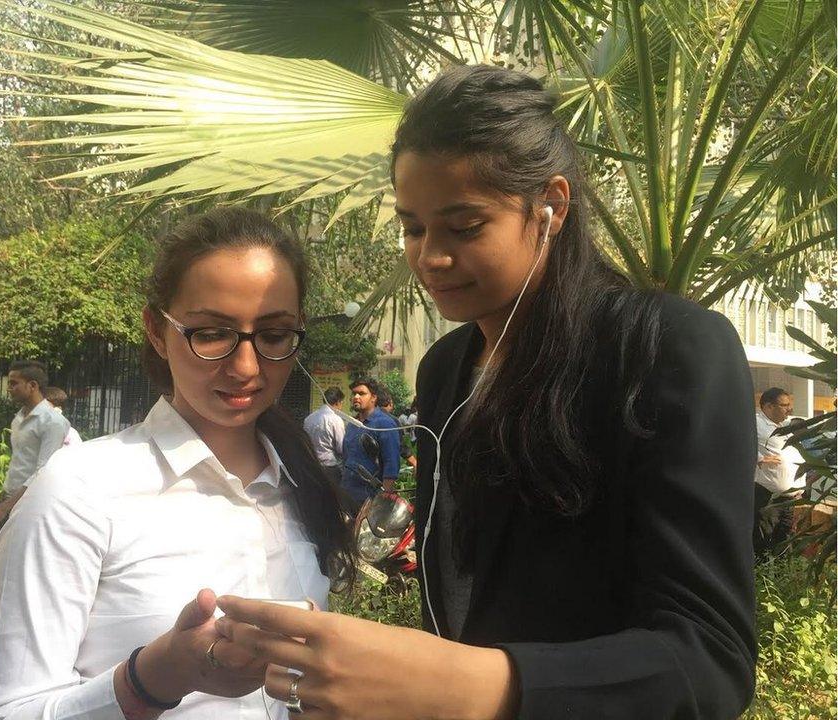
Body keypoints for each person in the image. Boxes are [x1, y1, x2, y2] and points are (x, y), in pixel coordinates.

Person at [215, 65, 756, 720]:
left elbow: (710, 661)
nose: (430, 258)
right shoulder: (446, 369)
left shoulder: (666, 351)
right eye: (413, 228)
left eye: (464, 226)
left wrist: (472, 686)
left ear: (551, 206)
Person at [0, 207, 353, 720]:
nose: (246, 367)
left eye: (273, 336)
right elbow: (7, 712)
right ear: (157, 330)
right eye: (211, 334)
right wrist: (153, 678)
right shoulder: (79, 490)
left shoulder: (298, 486)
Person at [0, 360, 71, 644]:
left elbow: (42, 472)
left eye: (14, 383)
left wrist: (4, 508)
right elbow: (20, 465)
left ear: (32, 386)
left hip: (29, 505)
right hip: (11, 499)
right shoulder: (20, 418)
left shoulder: (53, 422)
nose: (9, 388)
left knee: (0, 572)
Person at [753, 387, 801, 556]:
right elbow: (734, 442)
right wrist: (758, 458)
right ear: (768, 406)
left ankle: (781, 581)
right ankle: (762, 582)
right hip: (767, 498)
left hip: (790, 499)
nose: (789, 409)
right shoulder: (755, 423)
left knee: (785, 546)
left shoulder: (786, 426)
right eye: (784, 405)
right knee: (763, 545)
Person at [340, 377, 401, 511]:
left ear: (373, 397)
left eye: (361, 393)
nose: (356, 397)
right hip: (348, 495)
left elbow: (391, 464)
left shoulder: (384, 424)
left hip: (370, 499)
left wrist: (383, 499)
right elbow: (346, 458)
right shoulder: (352, 424)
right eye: (354, 394)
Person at [302, 386, 346, 485]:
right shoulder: (336, 420)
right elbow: (341, 448)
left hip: (312, 465)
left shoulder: (309, 418)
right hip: (329, 468)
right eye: (341, 403)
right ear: (338, 402)